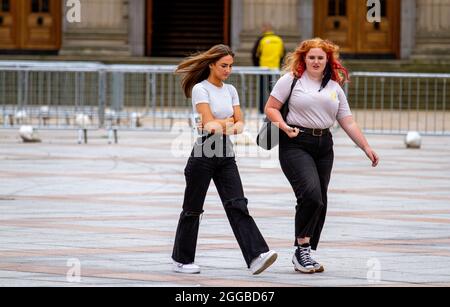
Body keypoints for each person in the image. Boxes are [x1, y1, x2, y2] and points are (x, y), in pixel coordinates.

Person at [264, 38, 379, 274]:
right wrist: (283, 126)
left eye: (320, 58)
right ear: (303, 59)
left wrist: (366, 147)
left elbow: (347, 120)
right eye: (311, 57)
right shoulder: (291, 80)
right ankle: (302, 250)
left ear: (328, 61)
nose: (316, 61)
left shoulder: (334, 87)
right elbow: (271, 107)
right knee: (311, 195)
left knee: (321, 200)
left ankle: (303, 250)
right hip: (295, 141)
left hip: (324, 145)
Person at [172, 44, 278, 275]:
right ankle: (182, 259)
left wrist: (223, 125)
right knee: (193, 208)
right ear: (211, 64)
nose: (228, 70)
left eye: (230, 66)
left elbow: (240, 126)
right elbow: (210, 124)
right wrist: (228, 122)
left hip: (226, 154)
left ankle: (256, 256)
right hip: (203, 153)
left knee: (238, 203)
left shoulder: (231, 90)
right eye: (223, 65)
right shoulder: (201, 89)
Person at [251, 23, 285, 114]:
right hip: (275, 70)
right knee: (275, 91)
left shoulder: (261, 39)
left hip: (263, 70)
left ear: (264, 29)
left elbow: (255, 54)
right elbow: (283, 55)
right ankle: (277, 110)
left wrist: (257, 67)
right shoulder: (279, 40)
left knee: (262, 90)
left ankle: (262, 110)